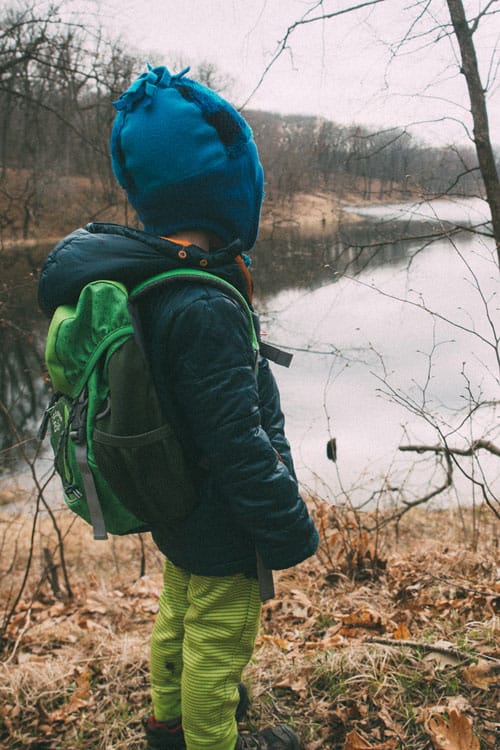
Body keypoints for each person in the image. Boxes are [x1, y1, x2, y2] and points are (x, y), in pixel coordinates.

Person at [38, 64, 319, 750]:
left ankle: (168, 725)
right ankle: (211, 740)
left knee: (180, 613)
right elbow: (235, 439)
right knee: (219, 643)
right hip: (219, 512)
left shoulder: (151, 279)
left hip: (177, 503)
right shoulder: (204, 304)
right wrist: (287, 526)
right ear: (230, 192)